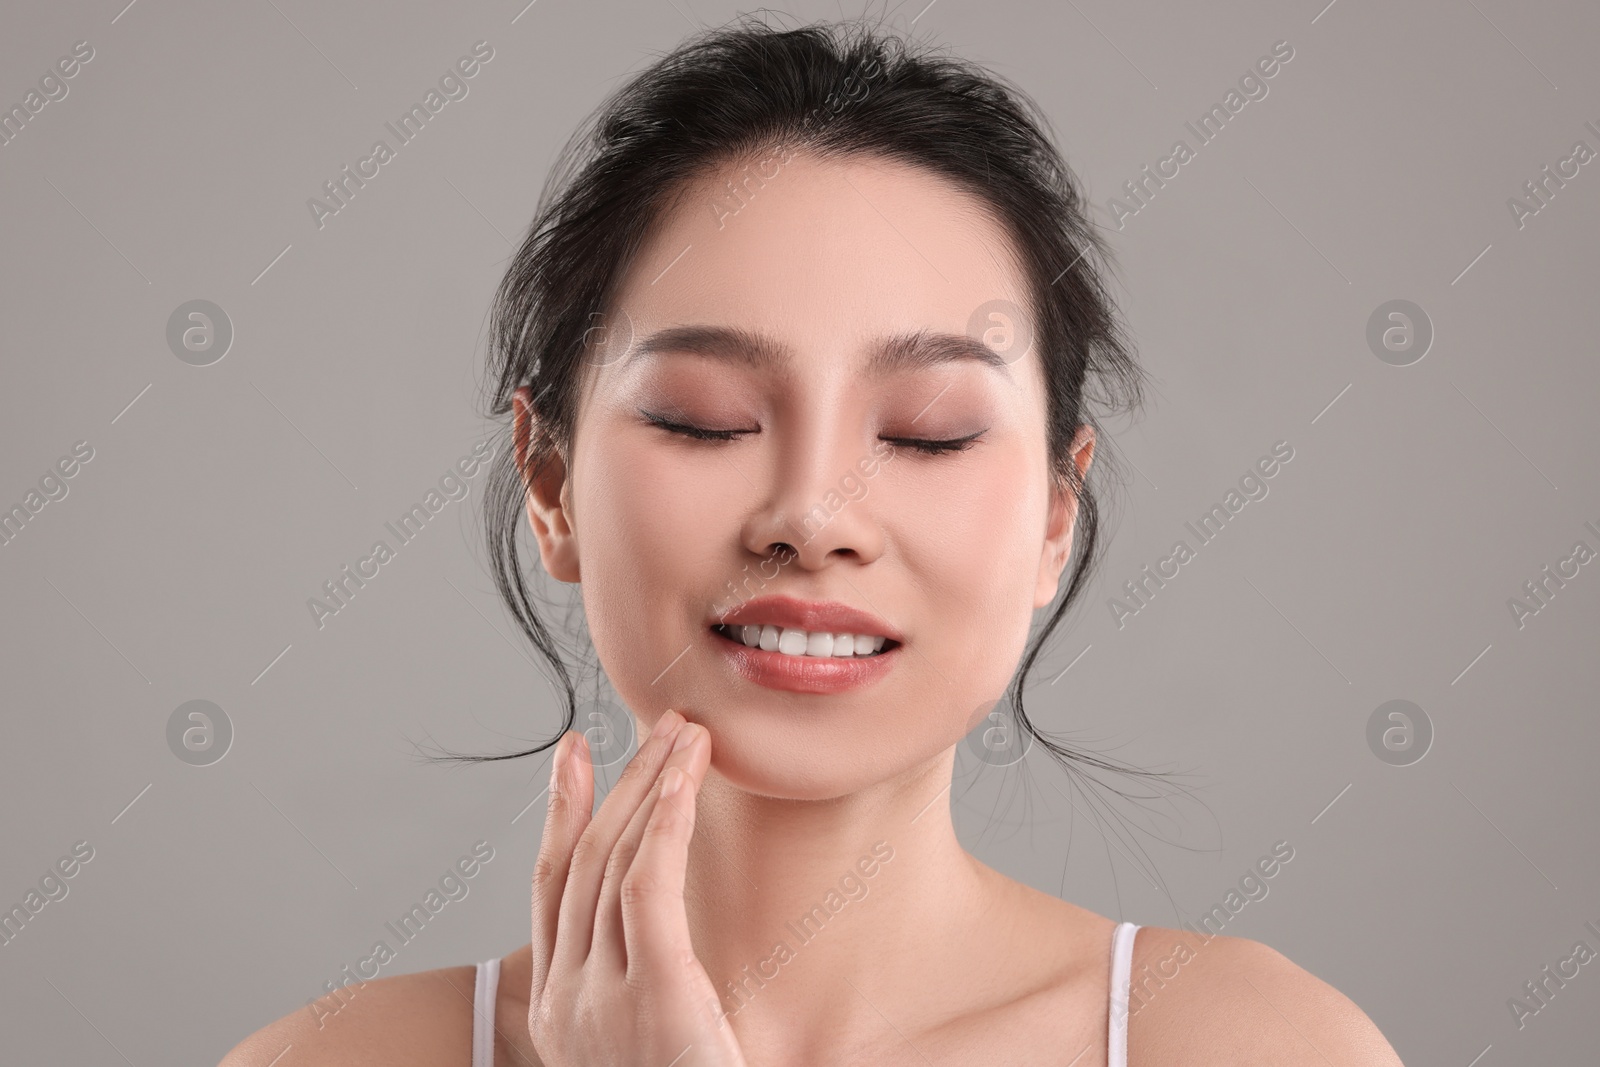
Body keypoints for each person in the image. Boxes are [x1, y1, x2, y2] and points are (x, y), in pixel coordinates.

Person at [222, 15, 1405, 1066]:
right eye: (705, 417)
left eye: (930, 433)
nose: (812, 514)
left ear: (1055, 515)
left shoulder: (1246, 1044)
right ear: (551, 482)